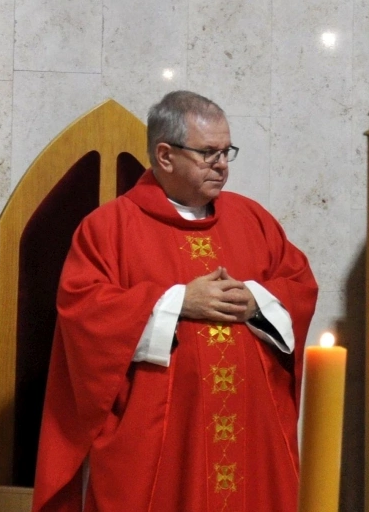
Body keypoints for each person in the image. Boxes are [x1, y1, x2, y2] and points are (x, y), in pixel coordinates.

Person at [32, 91, 318, 512]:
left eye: (226, 152)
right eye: (208, 153)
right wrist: (180, 301)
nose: (221, 164)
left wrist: (255, 301)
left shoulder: (253, 219)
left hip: (252, 437)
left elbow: (299, 284)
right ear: (165, 156)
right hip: (160, 440)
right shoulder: (109, 227)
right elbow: (84, 313)